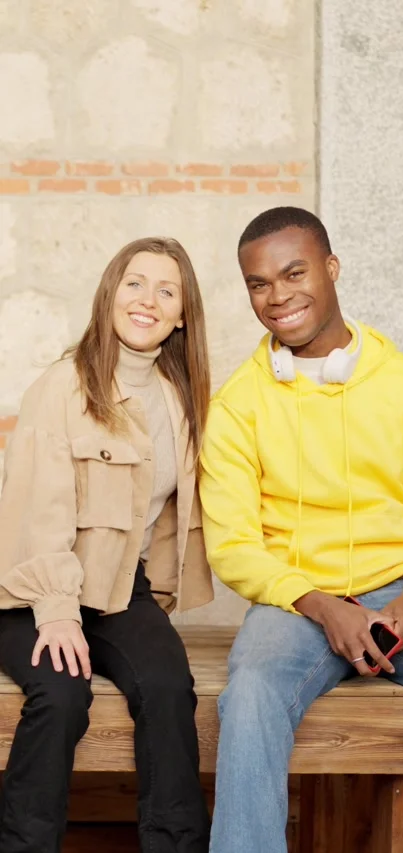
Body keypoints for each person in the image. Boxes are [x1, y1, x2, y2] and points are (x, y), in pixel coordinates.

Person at [200, 206, 403, 853]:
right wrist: (323, 605)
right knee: (248, 701)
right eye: (259, 283)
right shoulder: (239, 403)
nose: (277, 297)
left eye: (294, 272)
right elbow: (234, 543)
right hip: (295, 601)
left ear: (330, 268)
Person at [0, 236, 213, 853]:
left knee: (170, 687)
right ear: (110, 294)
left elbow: (170, 516)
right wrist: (58, 612)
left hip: (120, 589)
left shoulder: (179, 400)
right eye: (135, 283)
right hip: (29, 590)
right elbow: (38, 513)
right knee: (62, 693)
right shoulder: (63, 386)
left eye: (166, 291)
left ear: (182, 316)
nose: (148, 300)